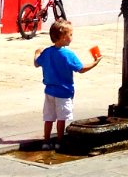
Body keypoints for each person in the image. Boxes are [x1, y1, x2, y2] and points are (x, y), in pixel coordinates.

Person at [33, 18, 101, 149]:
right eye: (70, 35)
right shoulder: (68, 54)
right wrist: (95, 63)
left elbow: (36, 63)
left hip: (49, 91)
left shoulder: (47, 52)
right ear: (63, 37)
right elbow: (81, 69)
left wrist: (36, 53)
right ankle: (59, 141)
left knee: (48, 117)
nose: (72, 37)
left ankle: (46, 141)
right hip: (64, 92)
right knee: (61, 118)